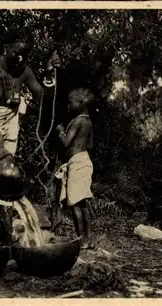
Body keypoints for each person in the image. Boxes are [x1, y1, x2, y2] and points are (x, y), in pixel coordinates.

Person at [0, 28, 61, 245]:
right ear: (5, 48)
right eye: (16, 53)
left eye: (25, 55)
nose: (20, 58)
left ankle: (4, 232)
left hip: (9, 128)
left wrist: (48, 73)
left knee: (6, 179)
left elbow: (41, 96)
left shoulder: (25, 72)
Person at [54, 88, 95, 249]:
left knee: (75, 204)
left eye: (71, 103)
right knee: (82, 203)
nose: (68, 106)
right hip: (84, 161)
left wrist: (60, 131)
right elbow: (90, 145)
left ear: (81, 104)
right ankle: (88, 239)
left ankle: (81, 240)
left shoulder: (78, 121)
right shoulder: (88, 122)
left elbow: (65, 142)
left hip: (77, 163)